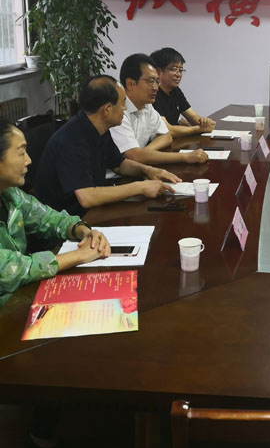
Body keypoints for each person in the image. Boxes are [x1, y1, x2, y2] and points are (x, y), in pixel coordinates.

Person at [0, 117, 110, 307]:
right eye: (21, 153)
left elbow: (49, 218)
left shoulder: (11, 195)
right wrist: (77, 256)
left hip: (17, 299)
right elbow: (9, 270)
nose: (28, 160)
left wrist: (82, 231)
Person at [35, 76, 180, 216]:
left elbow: (119, 164)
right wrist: (140, 187)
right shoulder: (71, 140)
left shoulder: (99, 128)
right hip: (65, 219)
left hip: (90, 210)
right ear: (107, 109)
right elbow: (87, 197)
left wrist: (148, 170)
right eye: (123, 103)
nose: (125, 108)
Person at [109, 54, 208, 165]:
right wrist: (184, 157)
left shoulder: (147, 106)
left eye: (157, 81)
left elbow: (166, 136)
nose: (156, 87)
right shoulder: (117, 110)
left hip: (137, 167)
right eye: (151, 81)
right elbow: (133, 156)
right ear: (130, 84)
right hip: (114, 174)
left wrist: (145, 153)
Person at [150, 47, 216, 137]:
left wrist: (204, 122)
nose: (178, 74)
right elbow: (166, 130)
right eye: (173, 69)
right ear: (158, 71)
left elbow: (193, 117)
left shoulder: (175, 91)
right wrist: (198, 129)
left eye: (180, 70)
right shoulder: (152, 94)